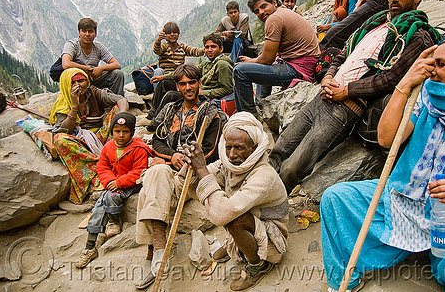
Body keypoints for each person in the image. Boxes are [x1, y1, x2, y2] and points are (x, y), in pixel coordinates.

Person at [320, 37, 445, 292]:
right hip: (405, 198)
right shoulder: (426, 96)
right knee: (335, 197)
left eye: (441, 64)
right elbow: (386, 138)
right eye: (431, 63)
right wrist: (405, 83)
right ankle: (344, 281)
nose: (432, 70)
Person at [269, 0, 442, 193]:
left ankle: (274, 208)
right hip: (322, 97)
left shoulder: (417, 36)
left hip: (345, 109)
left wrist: (347, 91)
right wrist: (329, 76)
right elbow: (343, 53)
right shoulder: (378, 22)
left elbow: (391, 79)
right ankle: (259, 193)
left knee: (293, 167)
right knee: (279, 149)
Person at [137, 112, 288, 291]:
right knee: (228, 209)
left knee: (233, 218)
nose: (232, 154)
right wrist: (190, 164)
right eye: (228, 147)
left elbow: (220, 215)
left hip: (273, 237)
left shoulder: (264, 175)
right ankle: (238, 244)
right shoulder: (228, 166)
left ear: (254, 147)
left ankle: (258, 266)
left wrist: (201, 169)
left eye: (239, 148)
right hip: (251, 221)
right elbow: (185, 184)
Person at [134, 64, 225, 289]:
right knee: (158, 171)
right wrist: (171, 155)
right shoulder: (170, 110)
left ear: (199, 84)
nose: (188, 88)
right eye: (183, 84)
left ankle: (154, 253)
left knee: (151, 183)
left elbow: (210, 148)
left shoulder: (211, 112)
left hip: (193, 171)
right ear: (177, 86)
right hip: (170, 168)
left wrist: (184, 159)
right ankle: (159, 253)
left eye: (192, 82)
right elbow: (157, 141)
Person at [75, 112, 153, 268]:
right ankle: (90, 245)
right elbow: (102, 167)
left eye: (125, 131)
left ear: (131, 132)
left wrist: (119, 182)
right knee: (102, 202)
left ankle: (113, 222)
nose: (121, 135)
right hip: (114, 184)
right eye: (117, 131)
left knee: (107, 198)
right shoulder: (109, 147)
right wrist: (111, 181)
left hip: (132, 184)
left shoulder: (138, 148)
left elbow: (139, 171)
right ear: (112, 132)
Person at [233, 0, 321, 114]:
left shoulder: (273, 19)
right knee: (259, 66)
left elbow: (267, 59)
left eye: (264, 6)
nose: (261, 12)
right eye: (257, 11)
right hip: (306, 64)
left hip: (298, 69)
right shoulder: (283, 12)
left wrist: (251, 60)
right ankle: (262, 102)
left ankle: (248, 117)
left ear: (274, 2)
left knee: (239, 71)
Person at [51, 68, 129, 203]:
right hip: (80, 142)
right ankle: (101, 164)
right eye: (73, 83)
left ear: (86, 82)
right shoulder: (63, 102)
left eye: (81, 81)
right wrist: (74, 105)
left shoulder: (94, 92)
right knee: (59, 139)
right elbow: (64, 131)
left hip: (100, 136)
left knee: (116, 110)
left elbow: (121, 100)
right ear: (66, 85)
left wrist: (122, 115)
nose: (78, 85)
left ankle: (108, 156)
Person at [146, 22, 204, 121]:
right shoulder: (164, 46)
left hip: (177, 78)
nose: (172, 35)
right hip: (164, 78)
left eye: (175, 32)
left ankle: (153, 112)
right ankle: (155, 109)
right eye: (169, 33)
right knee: (159, 72)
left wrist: (205, 50)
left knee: (165, 82)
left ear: (178, 34)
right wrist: (158, 40)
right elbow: (157, 50)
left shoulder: (182, 47)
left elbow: (194, 51)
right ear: (165, 35)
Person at [62, 18, 124, 95]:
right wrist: (88, 69)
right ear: (79, 32)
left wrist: (101, 68)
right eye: (84, 31)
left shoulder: (98, 47)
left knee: (117, 74)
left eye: (90, 31)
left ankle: (116, 102)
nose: (87, 34)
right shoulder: (72, 45)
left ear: (95, 34)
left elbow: (116, 65)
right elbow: (66, 64)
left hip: (94, 78)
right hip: (77, 80)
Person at [198, 33, 234, 100]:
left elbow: (227, 89)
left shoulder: (222, 65)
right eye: (207, 47)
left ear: (221, 49)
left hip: (213, 99)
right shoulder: (207, 63)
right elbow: (194, 71)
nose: (210, 50)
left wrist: (203, 93)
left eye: (213, 47)